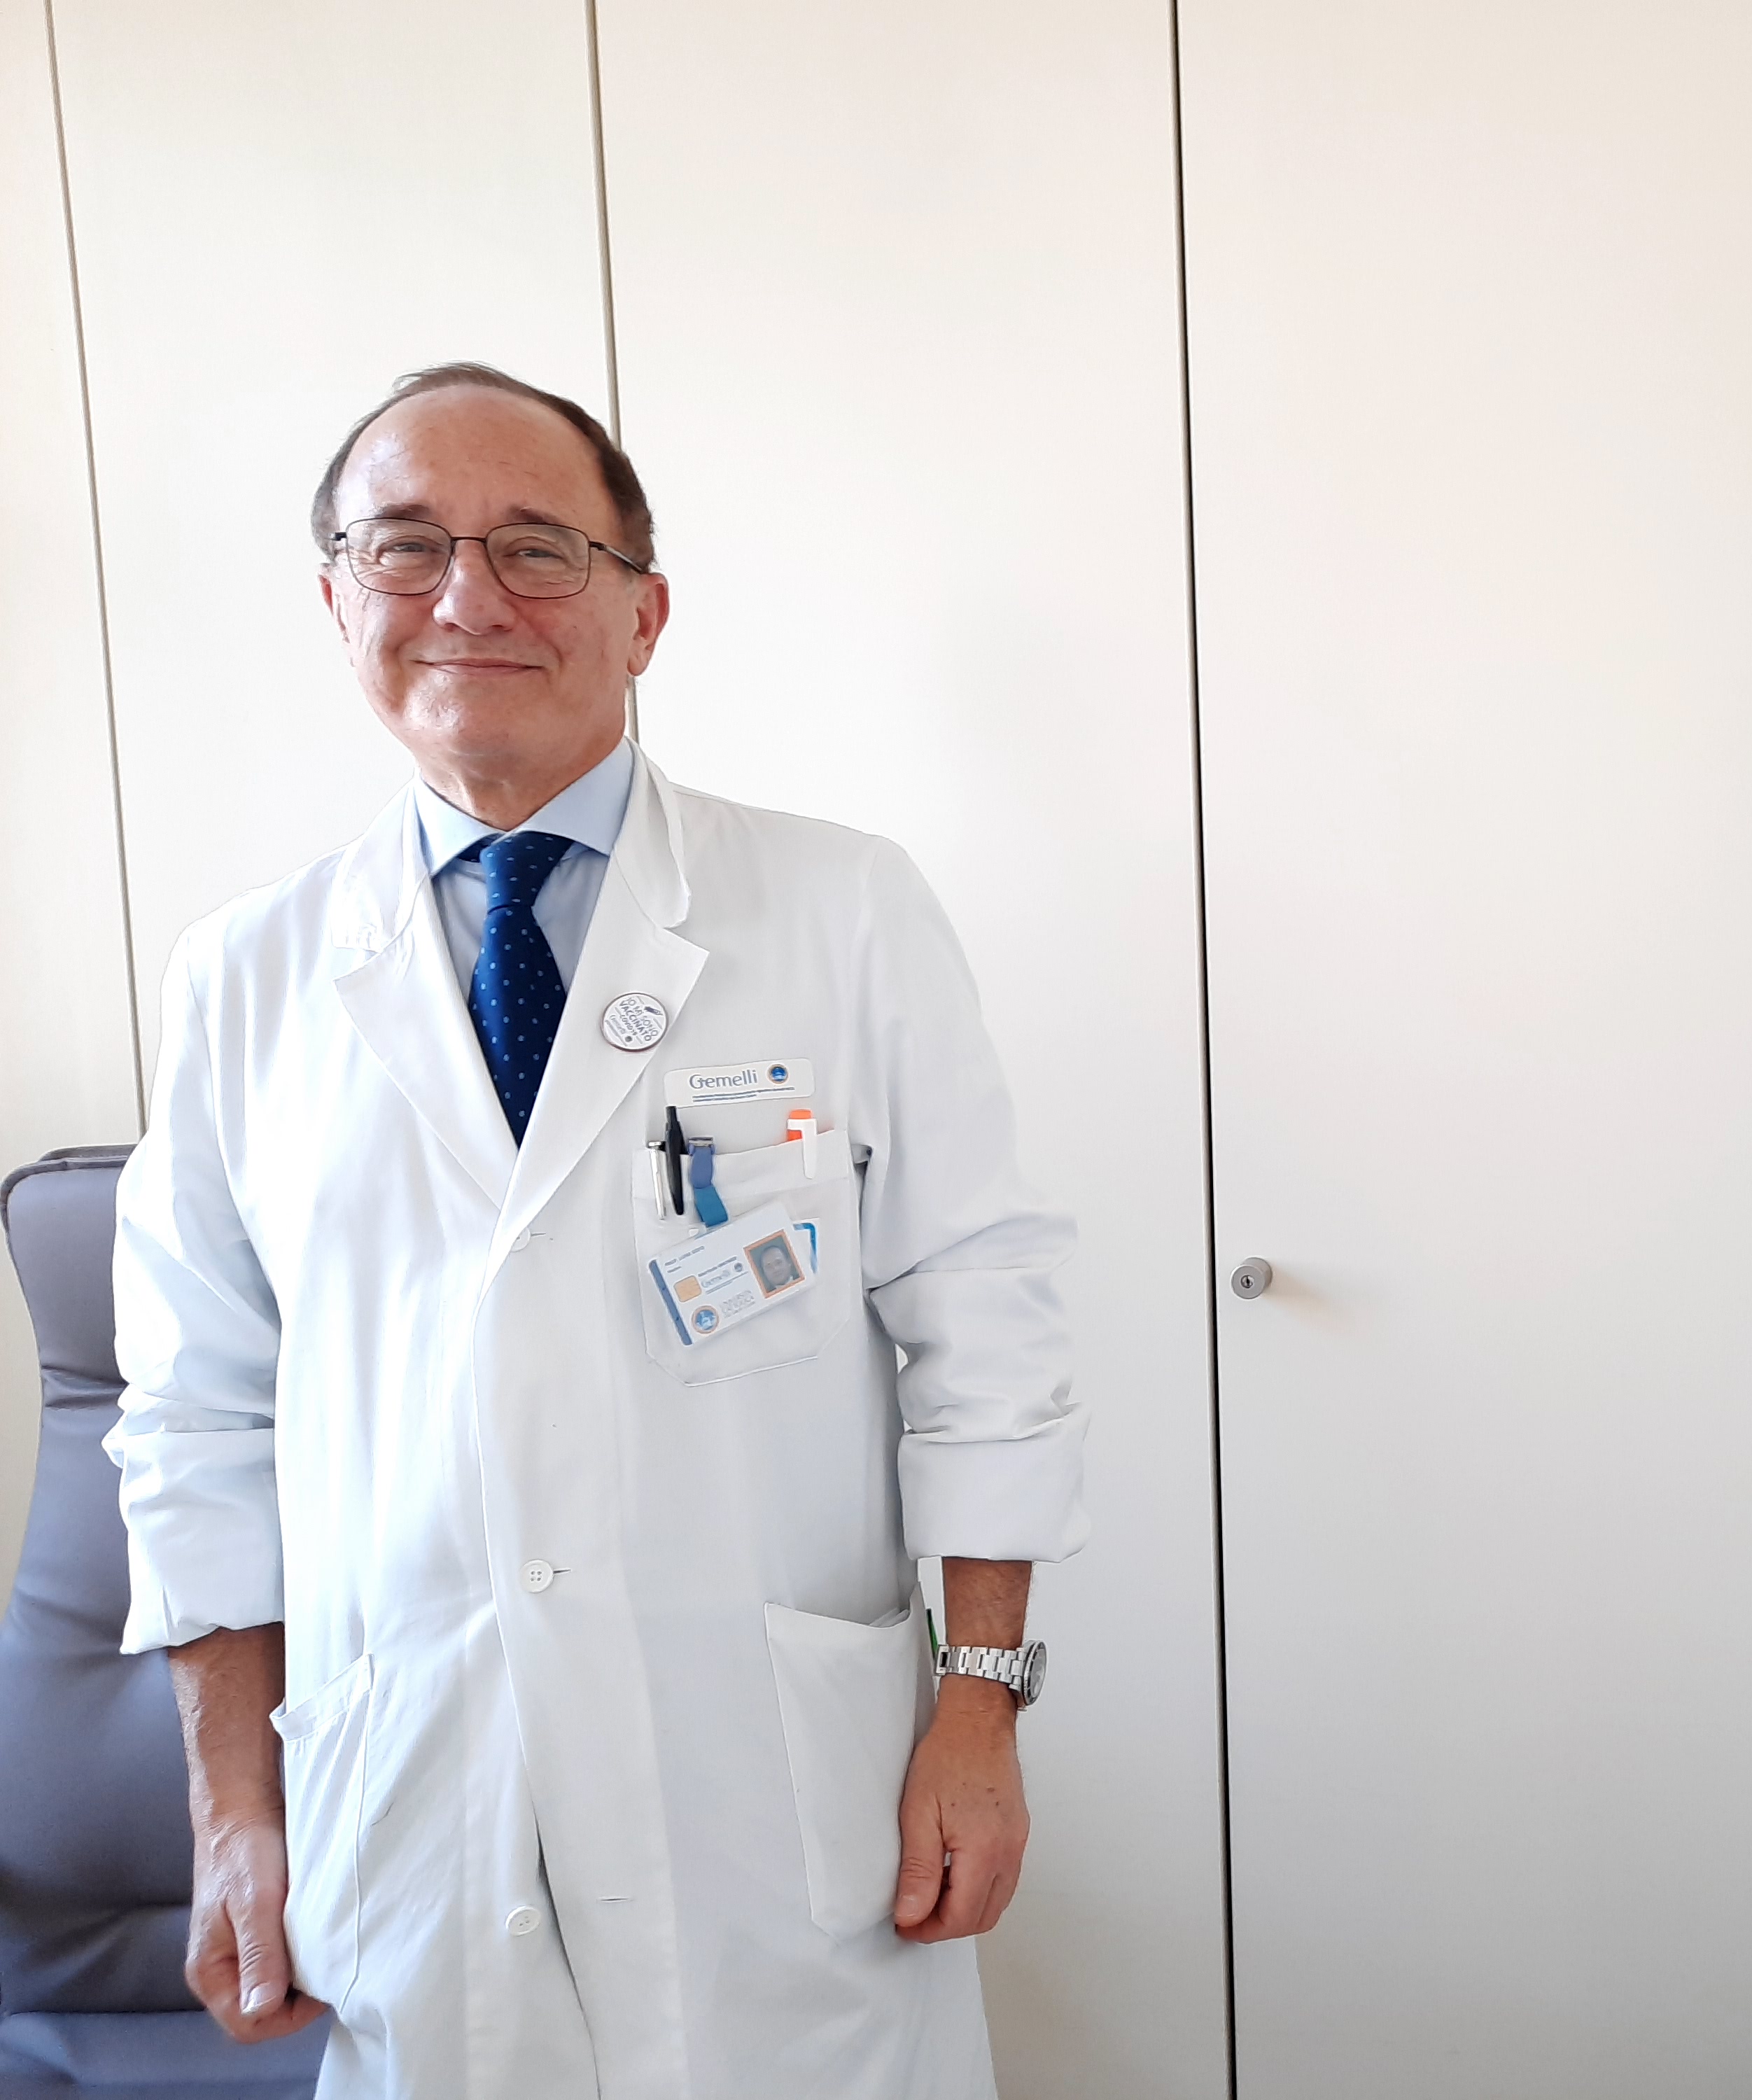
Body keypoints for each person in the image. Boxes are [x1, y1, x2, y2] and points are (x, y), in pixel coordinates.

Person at [105, 363, 1083, 2100]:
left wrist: (980, 1704)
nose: (467, 597)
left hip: (778, 1802)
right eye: (406, 546)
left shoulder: (840, 909)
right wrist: (232, 1809)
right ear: (336, 604)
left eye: (537, 548)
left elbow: (983, 1322)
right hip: (414, 1800)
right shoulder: (242, 977)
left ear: (645, 613)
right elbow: (195, 1424)